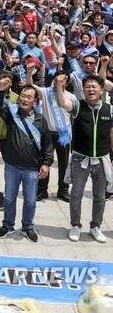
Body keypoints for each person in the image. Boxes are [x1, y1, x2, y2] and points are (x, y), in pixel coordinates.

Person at [0, 82, 53, 243]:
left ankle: (27, 227)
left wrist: (46, 163)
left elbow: (47, 144)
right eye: (23, 96)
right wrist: (0, 91)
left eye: (29, 97)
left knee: (30, 200)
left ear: (35, 101)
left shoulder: (41, 120)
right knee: (9, 198)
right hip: (12, 165)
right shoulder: (11, 114)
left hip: (32, 168)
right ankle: (8, 225)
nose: (25, 99)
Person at [56, 74, 112, 244]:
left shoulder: (108, 109)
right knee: (76, 194)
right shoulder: (78, 106)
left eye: (94, 86)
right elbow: (62, 103)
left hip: (102, 159)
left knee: (100, 197)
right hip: (80, 158)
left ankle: (95, 226)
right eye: (87, 86)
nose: (91, 89)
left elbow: (111, 134)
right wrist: (59, 87)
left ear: (102, 90)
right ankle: (75, 225)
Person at [26, 67, 74, 202]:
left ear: (67, 82)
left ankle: (63, 190)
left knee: (64, 163)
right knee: (44, 161)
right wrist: (29, 73)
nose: (58, 81)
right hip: (47, 134)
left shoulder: (71, 97)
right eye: (56, 79)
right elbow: (30, 87)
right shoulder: (46, 92)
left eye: (62, 80)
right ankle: (42, 189)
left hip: (63, 135)